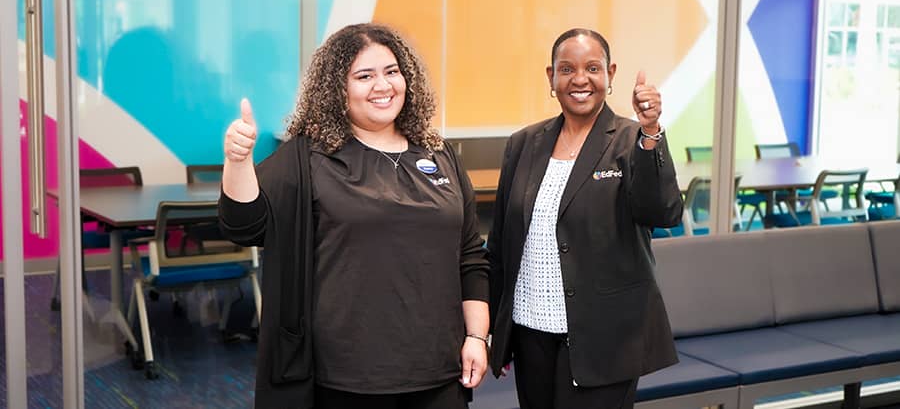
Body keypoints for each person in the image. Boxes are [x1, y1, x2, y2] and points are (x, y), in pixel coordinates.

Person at [218, 23, 490, 409]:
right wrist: (238, 162)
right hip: (348, 377)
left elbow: (471, 257)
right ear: (337, 90)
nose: (383, 85)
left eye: (392, 71)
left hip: (438, 370)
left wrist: (477, 337)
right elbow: (243, 226)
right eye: (364, 76)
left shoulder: (439, 153)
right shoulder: (308, 157)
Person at [486, 28, 684, 409]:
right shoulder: (523, 144)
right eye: (567, 69)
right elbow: (501, 245)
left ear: (610, 74)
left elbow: (661, 212)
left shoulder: (631, 139)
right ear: (551, 78)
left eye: (592, 68)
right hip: (531, 334)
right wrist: (497, 328)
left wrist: (650, 133)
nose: (580, 79)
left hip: (607, 339)